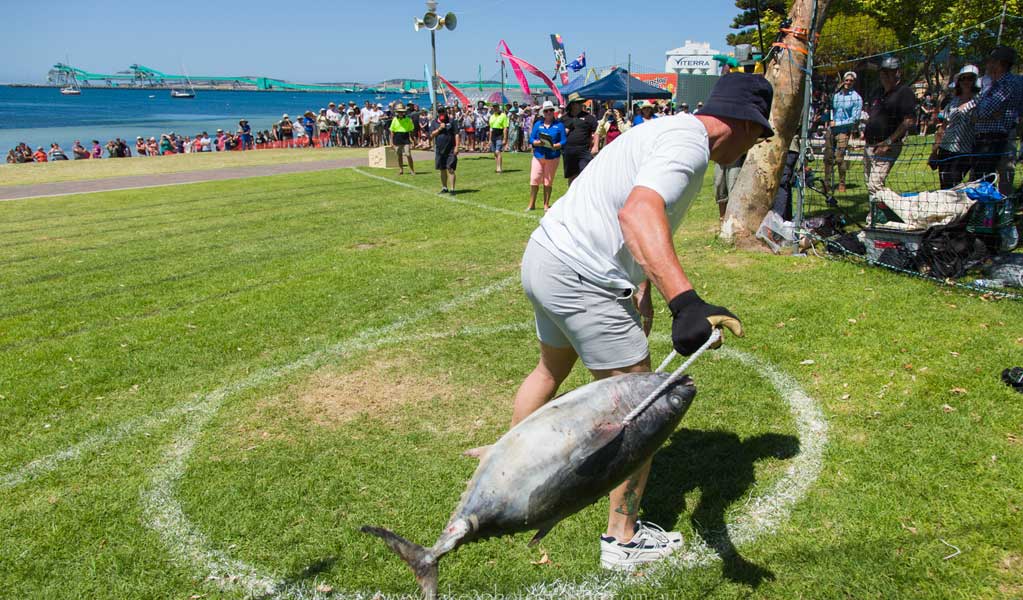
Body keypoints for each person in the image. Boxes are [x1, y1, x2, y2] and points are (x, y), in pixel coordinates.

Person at [468, 73, 771, 572]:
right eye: (758, 136)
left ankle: (501, 474)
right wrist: (687, 302)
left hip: (546, 256)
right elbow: (638, 212)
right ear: (743, 121)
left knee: (549, 370)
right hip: (582, 275)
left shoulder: (667, 130)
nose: (754, 147)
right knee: (642, 406)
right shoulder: (688, 147)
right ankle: (622, 539)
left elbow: (626, 210)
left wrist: (643, 286)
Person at [862, 56, 917, 194]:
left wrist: (888, 142)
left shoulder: (904, 92)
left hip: (888, 146)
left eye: (889, 72)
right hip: (869, 144)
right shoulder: (877, 92)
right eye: (883, 72)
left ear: (898, 72)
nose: (885, 75)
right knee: (869, 182)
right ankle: (874, 213)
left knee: (875, 185)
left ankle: (877, 214)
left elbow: (909, 120)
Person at [972, 46, 1021, 195]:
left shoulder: (1008, 83)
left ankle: (996, 210)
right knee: (981, 176)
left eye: (990, 61)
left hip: (996, 137)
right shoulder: (990, 84)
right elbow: (976, 106)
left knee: (995, 175)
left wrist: (981, 112)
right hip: (984, 137)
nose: (987, 65)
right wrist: (983, 111)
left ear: (1000, 64)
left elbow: (984, 109)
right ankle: (984, 210)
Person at [932, 65, 980, 189]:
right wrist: (934, 152)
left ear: (974, 81)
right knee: (945, 185)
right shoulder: (952, 102)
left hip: (964, 151)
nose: (966, 82)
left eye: (970, 79)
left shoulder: (979, 101)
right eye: (963, 78)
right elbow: (942, 127)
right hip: (945, 149)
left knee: (954, 183)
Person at [824, 71, 863, 194]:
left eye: (851, 81)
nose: (848, 83)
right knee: (827, 158)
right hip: (832, 129)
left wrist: (838, 124)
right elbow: (831, 110)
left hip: (844, 130)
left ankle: (842, 183)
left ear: (854, 82)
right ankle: (827, 184)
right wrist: (829, 120)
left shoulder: (856, 98)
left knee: (839, 158)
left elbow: (855, 119)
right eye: (846, 80)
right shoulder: (836, 95)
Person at [527, 100, 567, 212]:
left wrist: (556, 145)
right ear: (543, 113)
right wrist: (536, 143)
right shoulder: (538, 124)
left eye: (550, 110)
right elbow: (531, 138)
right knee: (534, 179)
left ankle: (546, 204)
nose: (548, 112)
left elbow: (564, 140)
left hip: (553, 156)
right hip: (538, 155)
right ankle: (531, 204)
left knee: (548, 181)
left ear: (553, 111)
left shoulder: (559, 125)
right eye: (546, 111)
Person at [560, 97, 600, 185]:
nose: (579, 105)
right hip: (568, 151)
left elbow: (597, 131)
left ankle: (583, 196)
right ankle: (572, 196)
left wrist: (595, 146)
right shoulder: (564, 118)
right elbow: (558, 133)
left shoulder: (589, 117)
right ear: (572, 105)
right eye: (577, 103)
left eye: (580, 103)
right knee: (572, 176)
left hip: (584, 150)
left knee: (585, 173)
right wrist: (564, 132)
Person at [429, 105, 460, 194]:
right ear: (437, 113)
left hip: (451, 149)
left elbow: (456, 134)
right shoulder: (434, 123)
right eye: (440, 112)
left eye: (443, 111)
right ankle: (444, 187)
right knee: (442, 169)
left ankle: (452, 189)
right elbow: (431, 135)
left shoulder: (452, 121)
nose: (442, 113)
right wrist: (439, 128)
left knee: (450, 168)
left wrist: (457, 146)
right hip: (439, 149)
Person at [389, 103, 416, 176]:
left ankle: (412, 170)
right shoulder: (394, 119)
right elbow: (392, 131)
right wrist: (391, 142)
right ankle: (401, 170)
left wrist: (413, 141)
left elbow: (411, 130)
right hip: (397, 138)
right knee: (399, 155)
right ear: (397, 112)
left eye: (401, 112)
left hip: (405, 137)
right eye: (399, 112)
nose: (400, 113)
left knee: (408, 154)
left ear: (403, 112)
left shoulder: (408, 119)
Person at [489, 103, 509, 173]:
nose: (495, 108)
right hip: (493, 135)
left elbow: (505, 128)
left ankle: (499, 168)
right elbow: (491, 128)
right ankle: (497, 166)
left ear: (498, 107)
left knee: (498, 151)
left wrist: (505, 138)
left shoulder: (503, 115)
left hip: (499, 135)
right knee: (495, 152)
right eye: (494, 107)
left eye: (496, 107)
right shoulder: (492, 116)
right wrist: (489, 139)